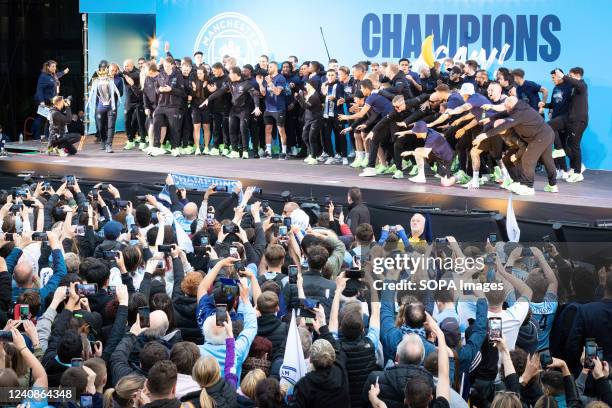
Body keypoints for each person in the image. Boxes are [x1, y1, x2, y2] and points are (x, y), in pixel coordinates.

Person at [475, 96, 558, 195]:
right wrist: (490, 118)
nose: (506, 109)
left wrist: (485, 135)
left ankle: (528, 187)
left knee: (528, 159)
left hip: (540, 136)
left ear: (510, 104)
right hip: (546, 133)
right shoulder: (517, 107)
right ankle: (552, 185)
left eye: (506, 106)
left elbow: (504, 125)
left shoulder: (519, 113)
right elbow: (505, 113)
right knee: (547, 160)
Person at [398, 121, 456, 186]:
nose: (415, 133)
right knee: (418, 150)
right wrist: (404, 132)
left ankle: (456, 177)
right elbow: (413, 131)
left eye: (416, 132)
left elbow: (424, 154)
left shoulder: (431, 139)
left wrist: (410, 152)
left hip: (445, 158)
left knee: (445, 183)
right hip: (436, 153)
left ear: (421, 132)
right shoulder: (427, 130)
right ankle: (421, 176)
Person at [87, 60, 122, 153]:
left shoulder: (115, 80)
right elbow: (90, 89)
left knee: (111, 126)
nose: (104, 70)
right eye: (102, 68)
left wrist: (112, 91)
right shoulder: (96, 78)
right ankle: (103, 140)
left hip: (111, 106)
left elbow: (120, 93)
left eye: (105, 68)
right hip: (100, 106)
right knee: (101, 126)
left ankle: (109, 145)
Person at [153, 57, 185, 157]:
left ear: (172, 65)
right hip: (161, 105)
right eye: (164, 66)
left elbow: (182, 92)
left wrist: (171, 89)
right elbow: (156, 89)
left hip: (173, 106)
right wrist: (160, 90)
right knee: (156, 122)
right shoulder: (160, 74)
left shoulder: (178, 75)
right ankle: (156, 147)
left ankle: (175, 148)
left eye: (167, 66)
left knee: (174, 127)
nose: (165, 68)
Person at [33, 60, 69, 141]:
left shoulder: (53, 75)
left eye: (55, 66)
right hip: (45, 100)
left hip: (53, 100)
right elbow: (39, 89)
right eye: (52, 66)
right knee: (44, 118)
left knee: (53, 117)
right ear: (48, 67)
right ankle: (42, 137)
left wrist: (64, 72)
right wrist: (41, 101)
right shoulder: (43, 76)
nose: (54, 68)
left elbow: (57, 75)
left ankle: (55, 135)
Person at [261, 61, 288, 159]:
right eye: (268, 67)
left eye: (270, 67)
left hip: (279, 109)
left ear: (276, 67)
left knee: (281, 130)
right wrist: (261, 83)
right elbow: (263, 93)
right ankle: (268, 151)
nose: (268, 68)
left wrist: (269, 82)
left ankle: (284, 152)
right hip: (268, 109)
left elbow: (277, 92)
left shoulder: (281, 78)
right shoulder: (267, 78)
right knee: (268, 130)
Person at [122, 58, 147, 150]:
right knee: (127, 121)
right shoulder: (124, 73)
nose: (125, 68)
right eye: (124, 66)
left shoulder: (138, 73)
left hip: (138, 102)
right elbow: (118, 73)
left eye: (126, 66)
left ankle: (143, 141)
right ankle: (130, 140)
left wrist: (125, 74)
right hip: (129, 102)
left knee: (141, 122)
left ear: (132, 65)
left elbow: (134, 77)